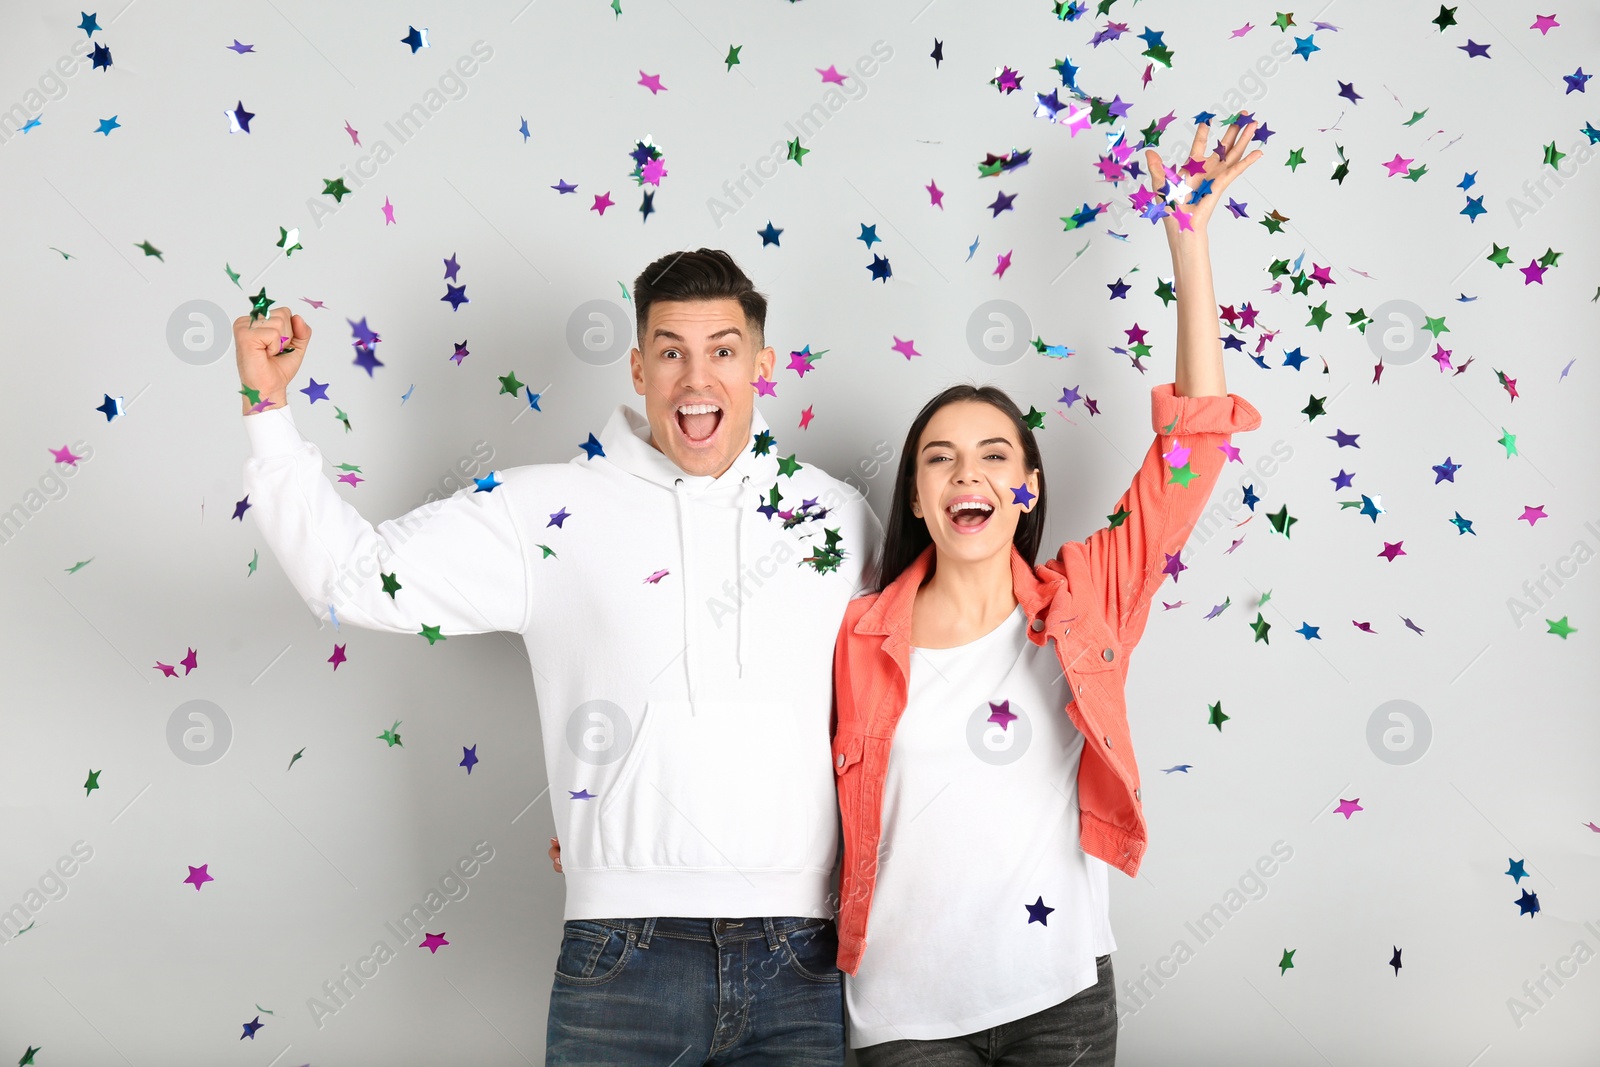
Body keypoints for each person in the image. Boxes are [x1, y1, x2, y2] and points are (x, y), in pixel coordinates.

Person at [235, 248, 882, 1064]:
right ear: (639, 367)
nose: (696, 379)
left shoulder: (838, 519)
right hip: (622, 958)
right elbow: (351, 576)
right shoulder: (546, 510)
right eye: (671, 352)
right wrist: (266, 404)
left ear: (762, 364)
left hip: (803, 960)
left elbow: (893, 711)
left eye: (722, 350)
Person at [827, 114, 1266, 1064]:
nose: (967, 474)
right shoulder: (856, 633)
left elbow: (1193, 450)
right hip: (899, 1016)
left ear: (1026, 489)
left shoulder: (1081, 600)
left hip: (1059, 997)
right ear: (917, 492)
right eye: (940, 459)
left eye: (994, 455)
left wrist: (1187, 238)